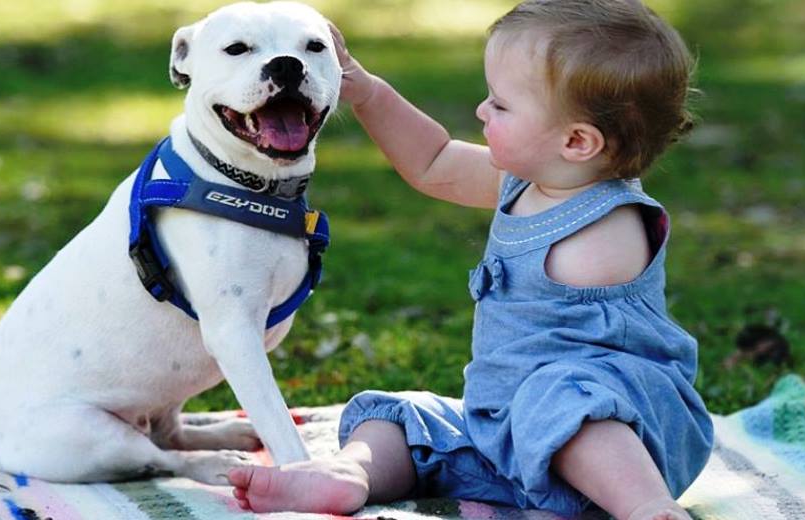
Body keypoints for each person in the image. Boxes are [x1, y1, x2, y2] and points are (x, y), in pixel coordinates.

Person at [229, 1, 713, 518]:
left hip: (622, 432)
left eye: (501, 106)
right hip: (501, 434)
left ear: (576, 141)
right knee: (398, 419)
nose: (482, 111)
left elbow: (583, 364)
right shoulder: (530, 181)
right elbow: (433, 162)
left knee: (562, 400)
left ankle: (646, 506)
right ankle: (351, 475)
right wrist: (367, 92)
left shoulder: (610, 225)